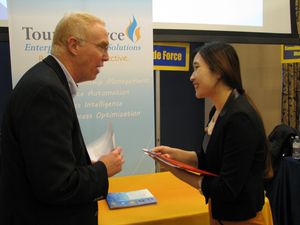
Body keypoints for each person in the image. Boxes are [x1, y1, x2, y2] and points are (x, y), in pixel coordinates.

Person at [0, 12, 124, 225]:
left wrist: (84, 165)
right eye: (102, 47)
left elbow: (46, 167)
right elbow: (57, 186)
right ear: (74, 45)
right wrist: (102, 170)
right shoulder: (46, 91)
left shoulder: (47, 81)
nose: (107, 57)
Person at [153, 42, 272, 225]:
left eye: (196, 68)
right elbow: (210, 160)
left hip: (241, 219)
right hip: (220, 213)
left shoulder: (240, 119)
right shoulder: (217, 111)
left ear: (218, 71)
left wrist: (176, 171)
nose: (191, 77)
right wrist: (174, 154)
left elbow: (227, 188)